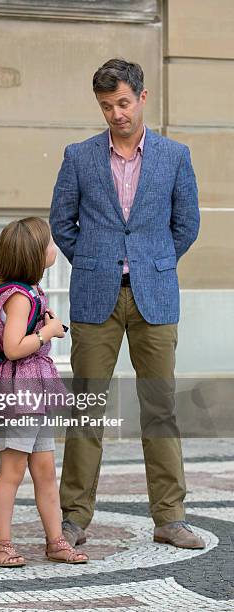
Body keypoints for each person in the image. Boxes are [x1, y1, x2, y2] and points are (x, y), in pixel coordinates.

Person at [50, 59, 205, 549]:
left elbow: (187, 223)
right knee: (87, 409)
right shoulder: (78, 156)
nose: (115, 114)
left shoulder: (174, 156)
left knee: (160, 409)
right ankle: (73, 518)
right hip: (95, 298)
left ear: (142, 97)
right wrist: (97, 260)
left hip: (154, 298)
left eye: (122, 103)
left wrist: (151, 262)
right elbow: (61, 221)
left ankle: (170, 517)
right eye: (105, 106)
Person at [0, 217, 88, 566]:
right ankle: (2, 545)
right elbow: (12, 347)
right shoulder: (20, 299)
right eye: (48, 244)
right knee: (11, 471)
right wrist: (48, 332)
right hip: (20, 391)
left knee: (45, 471)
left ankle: (56, 541)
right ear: (33, 255)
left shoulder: (31, 294)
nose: (53, 248)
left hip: (36, 392)